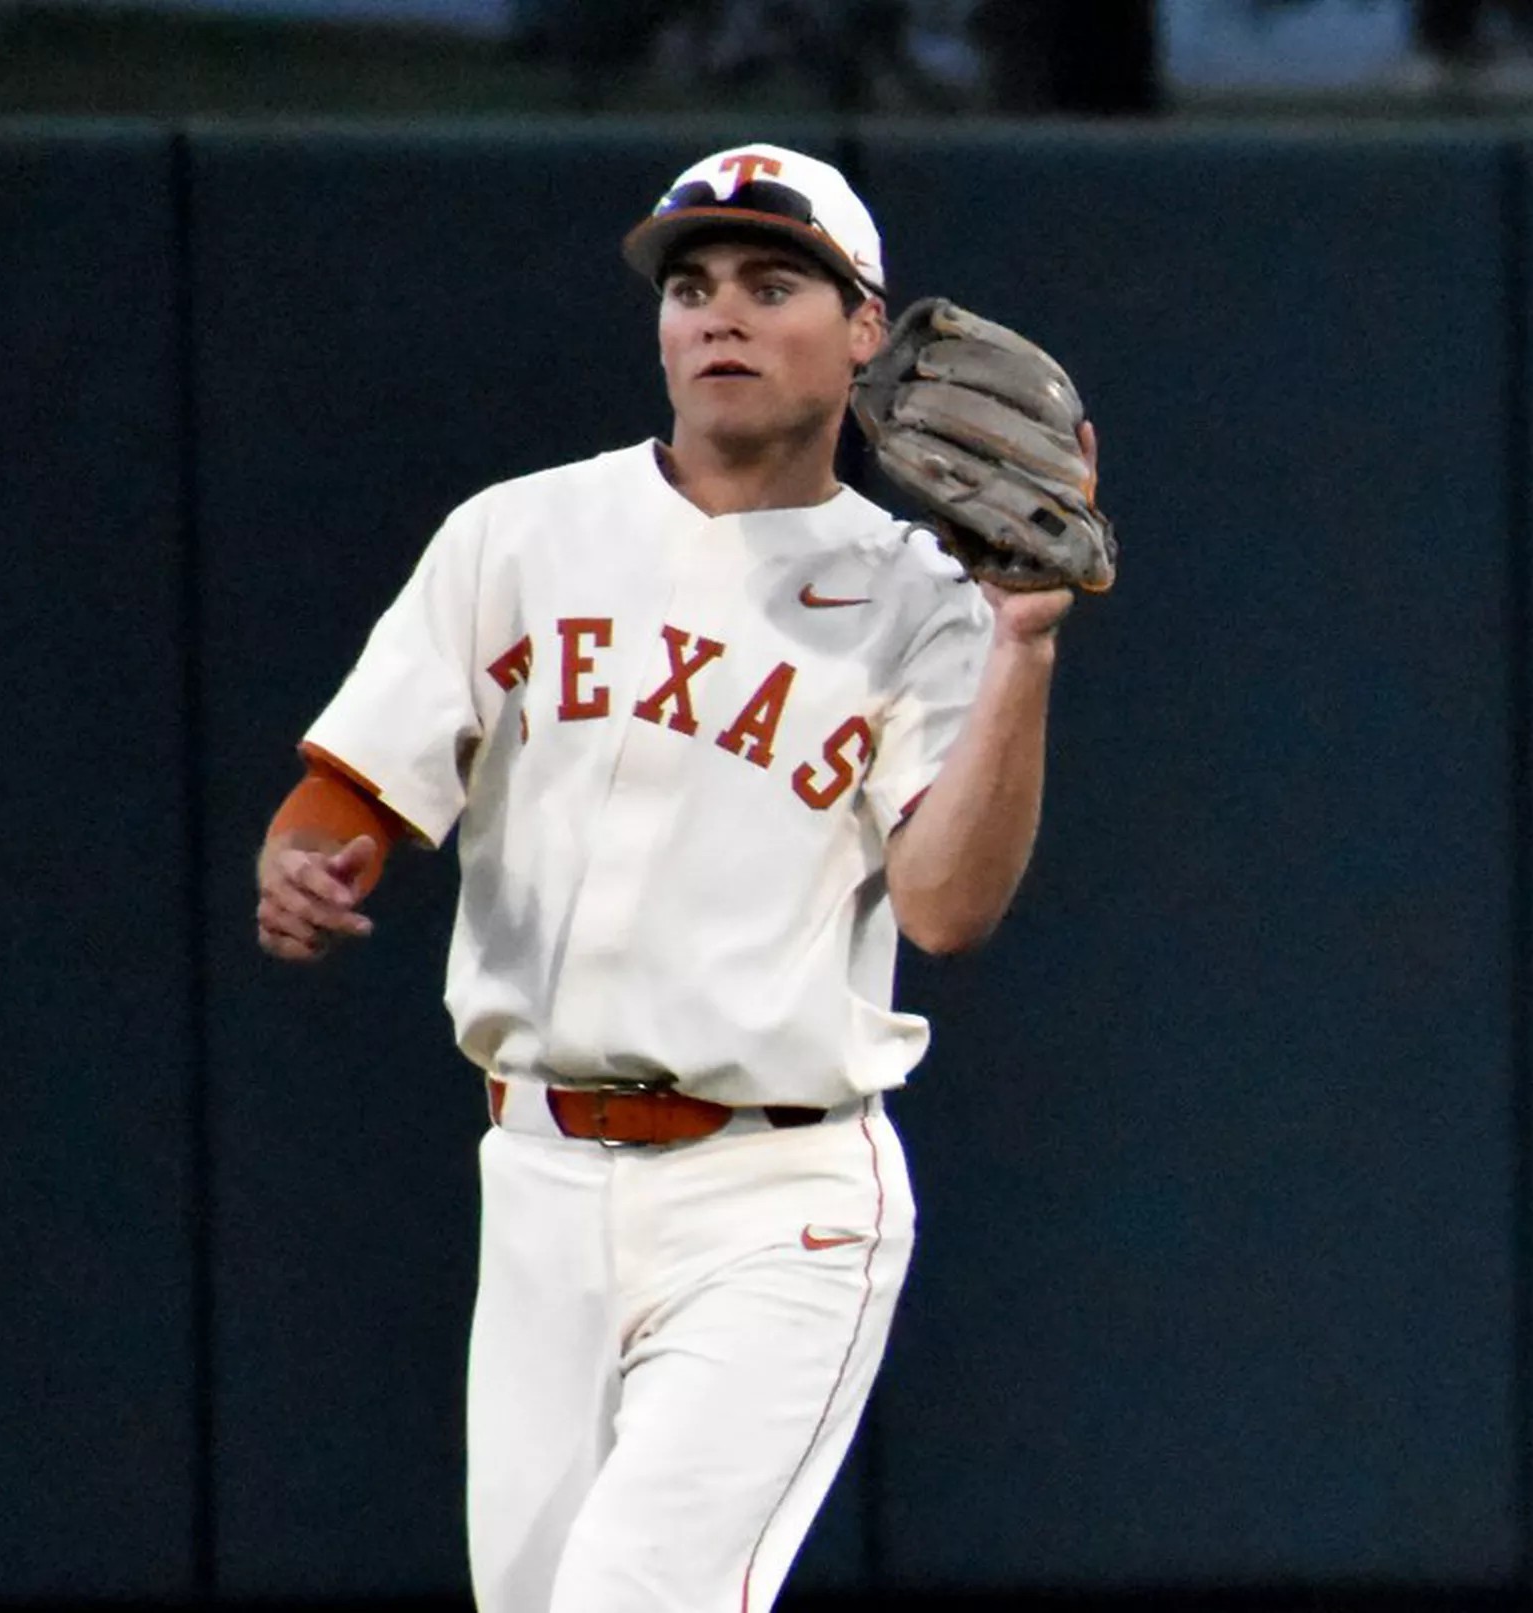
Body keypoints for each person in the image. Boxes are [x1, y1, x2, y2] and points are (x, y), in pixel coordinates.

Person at [252, 142, 1088, 1613]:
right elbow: (354, 788)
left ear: (866, 333)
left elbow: (951, 908)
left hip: (776, 1190)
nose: (720, 316)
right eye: (691, 286)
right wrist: (308, 860)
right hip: (539, 1180)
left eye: (775, 284)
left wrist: (1021, 646)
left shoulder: (923, 596)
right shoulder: (519, 532)